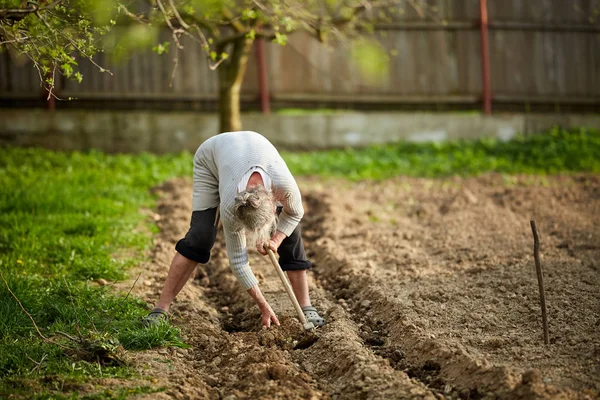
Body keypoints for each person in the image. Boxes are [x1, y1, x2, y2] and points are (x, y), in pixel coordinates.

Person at [143, 131, 325, 328]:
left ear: (274, 205)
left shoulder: (284, 187)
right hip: (211, 158)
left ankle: (306, 307)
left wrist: (276, 239)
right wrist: (263, 305)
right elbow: (238, 262)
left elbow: (295, 214)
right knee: (200, 237)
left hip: (256, 148)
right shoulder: (231, 206)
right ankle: (161, 308)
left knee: (291, 237)